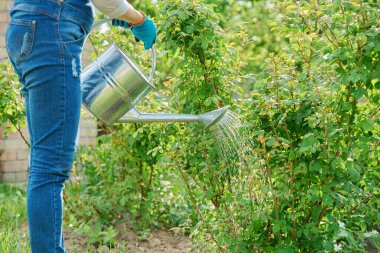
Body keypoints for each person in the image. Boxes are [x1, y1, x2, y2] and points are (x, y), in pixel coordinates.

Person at [5, 0, 156, 252]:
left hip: (26, 26)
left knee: (43, 161)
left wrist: (115, 11)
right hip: (50, 33)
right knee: (50, 167)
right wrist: (138, 18)